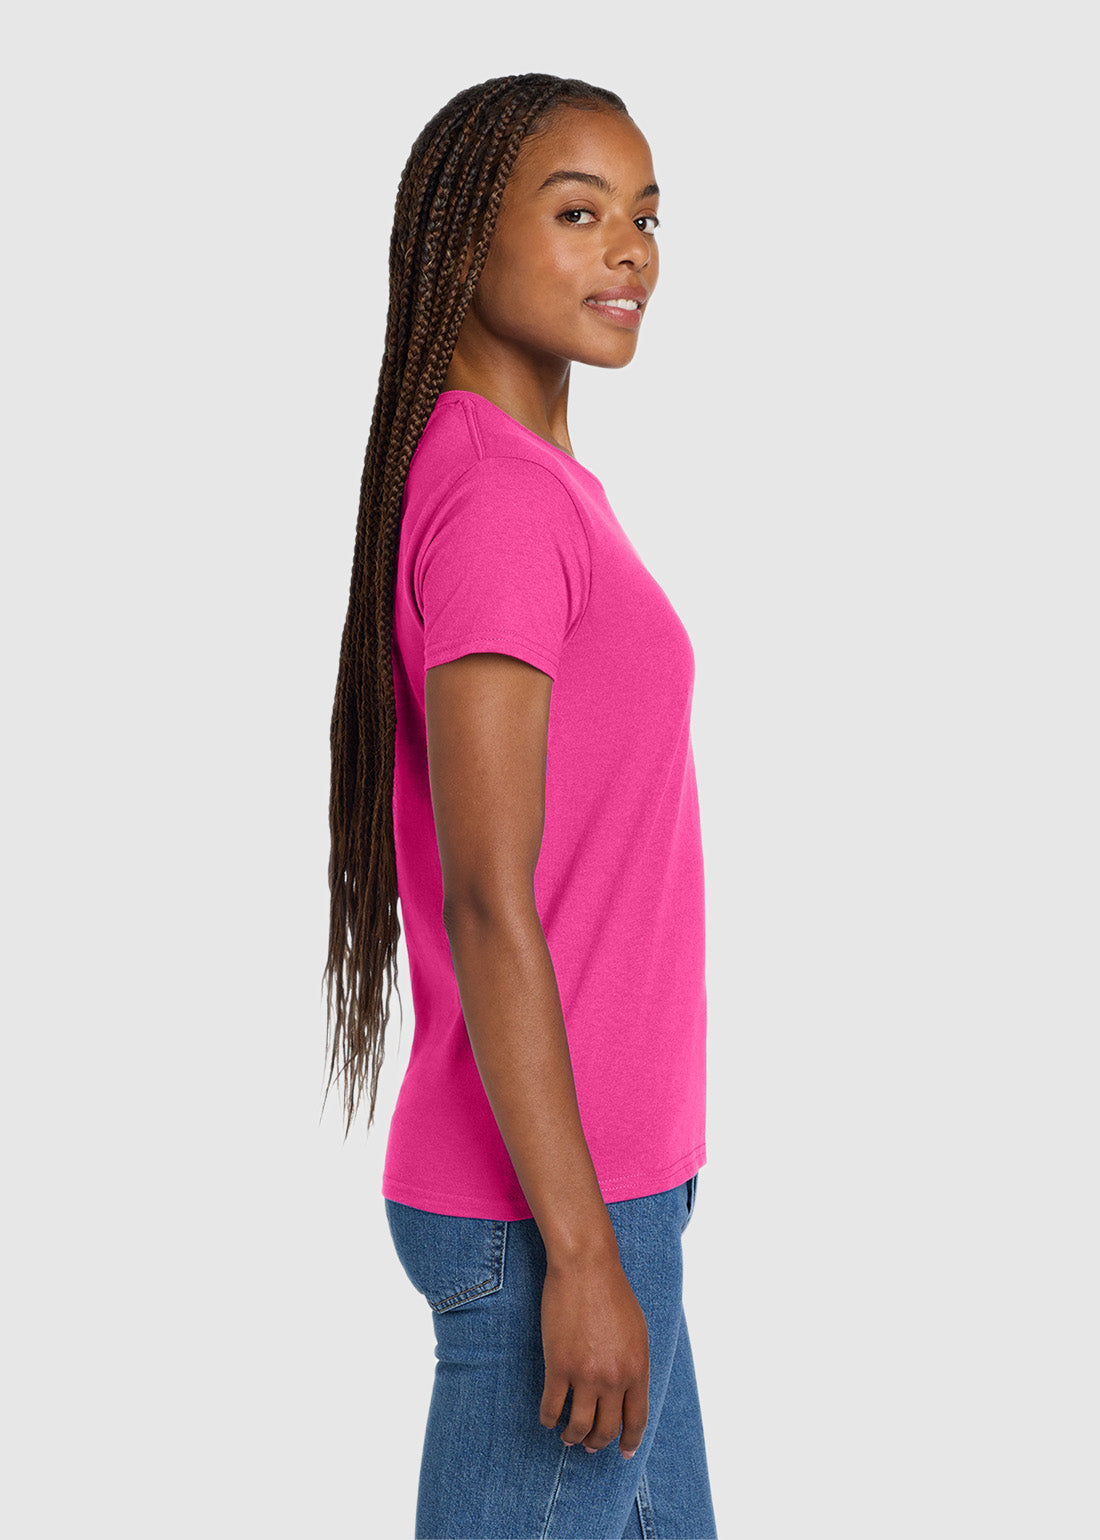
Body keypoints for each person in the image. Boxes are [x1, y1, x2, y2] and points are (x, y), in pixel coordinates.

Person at [323, 72, 716, 1539]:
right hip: (555, 1212)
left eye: (646, 216)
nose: (630, 250)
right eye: (577, 211)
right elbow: (491, 901)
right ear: (463, 237)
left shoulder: (527, 481)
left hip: (612, 1189)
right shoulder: (500, 500)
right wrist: (584, 1256)